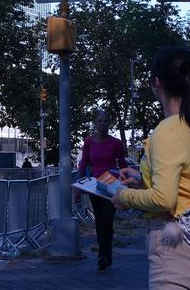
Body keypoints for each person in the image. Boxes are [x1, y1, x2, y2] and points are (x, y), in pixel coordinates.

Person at [112, 48, 190, 288]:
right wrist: (142, 178)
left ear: (156, 83)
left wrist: (124, 195)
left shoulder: (166, 130)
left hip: (178, 250)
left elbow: (164, 199)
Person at [78, 109, 128, 271]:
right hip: (94, 185)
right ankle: (103, 255)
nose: (102, 124)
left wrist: (126, 184)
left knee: (107, 219)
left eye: (105, 121)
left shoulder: (115, 143)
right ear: (95, 123)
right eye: (99, 121)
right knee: (99, 220)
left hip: (111, 184)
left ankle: (106, 254)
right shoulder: (89, 142)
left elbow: (122, 164)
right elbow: (84, 162)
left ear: (109, 123)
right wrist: (78, 186)